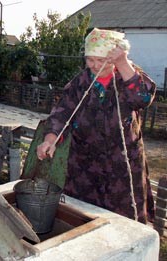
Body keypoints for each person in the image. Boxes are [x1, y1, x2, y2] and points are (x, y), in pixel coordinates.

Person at [36, 28, 156, 224]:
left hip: (121, 164)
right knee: (83, 216)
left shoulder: (127, 76)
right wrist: (50, 139)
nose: (95, 65)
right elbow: (62, 113)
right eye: (90, 60)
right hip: (85, 164)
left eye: (101, 60)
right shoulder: (81, 82)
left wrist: (122, 63)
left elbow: (142, 98)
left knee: (123, 220)